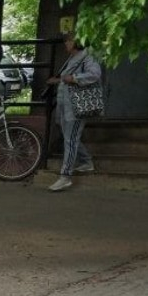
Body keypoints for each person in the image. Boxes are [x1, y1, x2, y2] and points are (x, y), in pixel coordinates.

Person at [46, 32, 102, 192]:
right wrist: (58, 80)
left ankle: (65, 176)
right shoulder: (71, 58)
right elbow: (66, 78)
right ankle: (86, 161)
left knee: (70, 139)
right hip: (66, 105)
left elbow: (94, 75)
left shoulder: (87, 57)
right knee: (69, 137)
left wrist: (75, 78)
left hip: (76, 107)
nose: (66, 44)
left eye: (69, 41)